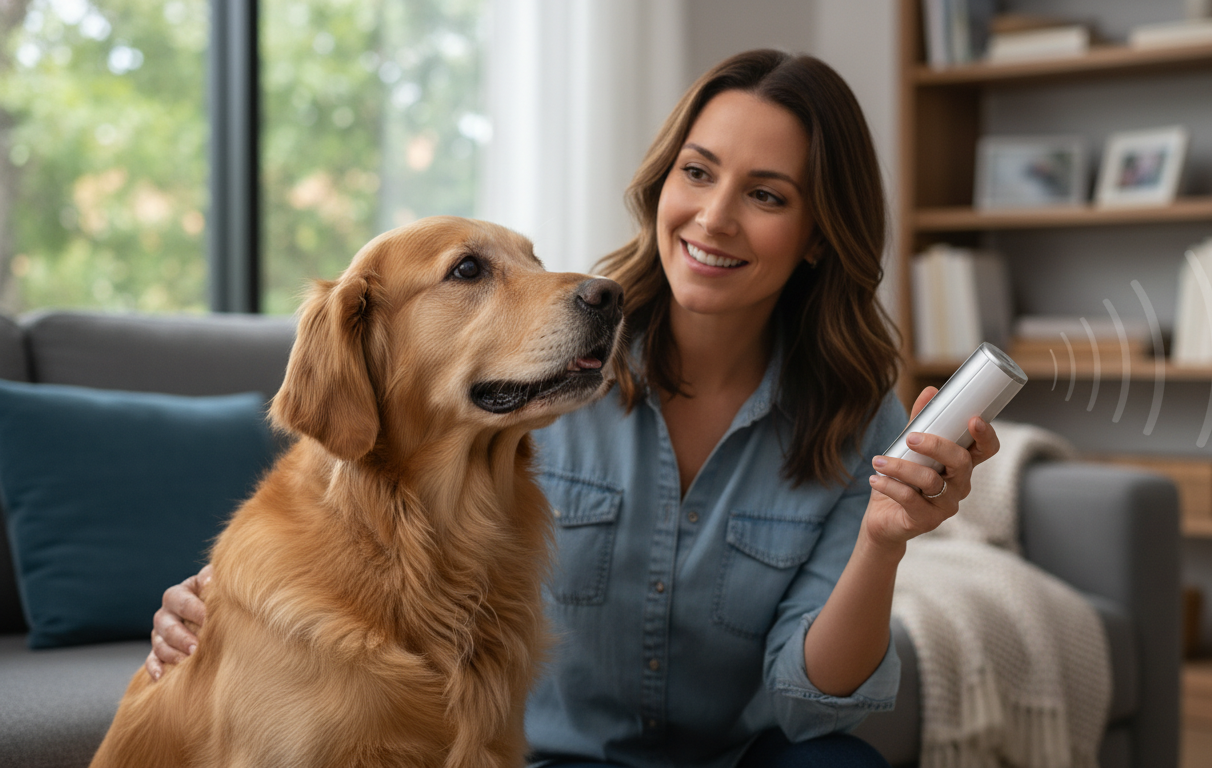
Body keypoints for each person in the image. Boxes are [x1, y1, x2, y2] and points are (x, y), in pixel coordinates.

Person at [146, 49, 1000, 767]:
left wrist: (884, 542)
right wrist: (233, 601)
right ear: (664, 181)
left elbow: (811, 702)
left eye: (767, 195)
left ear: (817, 234)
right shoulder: (557, 360)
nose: (714, 218)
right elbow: (371, 498)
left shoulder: (858, 420)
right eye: (697, 173)